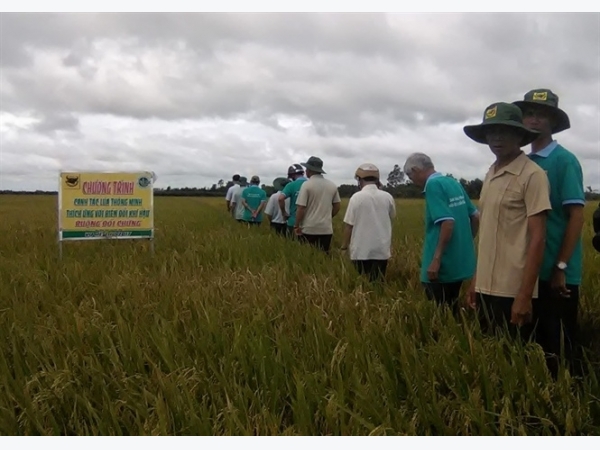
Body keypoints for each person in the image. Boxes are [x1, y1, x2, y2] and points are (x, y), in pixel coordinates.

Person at [463, 102, 551, 338]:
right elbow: (487, 235)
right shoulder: (491, 173)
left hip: (512, 290)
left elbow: (538, 238)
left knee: (516, 361)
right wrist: (476, 281)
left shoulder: (533, 175)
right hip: (485, 287)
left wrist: (524, 296)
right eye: (491, 131)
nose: (497, 137)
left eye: (505, 131)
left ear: (519, 135)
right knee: (489, 361)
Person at [513, 88, 586, 375]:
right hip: (529, 269)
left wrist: (561, 265)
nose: (533, 120)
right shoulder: (523, 163)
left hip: (557, 273)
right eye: (529, 113)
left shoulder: (564, 160)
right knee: (534, 343)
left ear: (553, 122)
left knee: (561, 347)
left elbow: (576, 217)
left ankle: (571, 405)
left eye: (542, 115)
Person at [403, 153, 480, 313]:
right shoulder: (452, 182)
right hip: (459, 263)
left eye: (410, 176)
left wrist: (436, 259)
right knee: (452, 306)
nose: (411, 181)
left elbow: (447, 222)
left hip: (442, 265)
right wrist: (466, 241)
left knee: (439, 312)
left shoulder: (433, 186)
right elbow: (475, 216)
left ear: (416, 169)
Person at [340, 163, 396, 282]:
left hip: (360, 250)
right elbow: (392, 216)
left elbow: (349, 226)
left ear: (359, 180)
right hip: (381, 249)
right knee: (377, 283)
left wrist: (344, 247)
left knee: (361, 283)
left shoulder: (356, 197)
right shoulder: (388, 197)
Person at [294, 156, 341, 253]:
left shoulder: (307, 185)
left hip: (309, 229)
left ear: (309, 170)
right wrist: (329, 216)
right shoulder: (332, 185)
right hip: (326, 229)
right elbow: (337, 206)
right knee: (323, 256)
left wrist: (296, 225)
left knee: (308, 257)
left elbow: (301, 208)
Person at [279, 164, 308, 237]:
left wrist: (284, 213)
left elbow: (280, 198)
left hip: (293, 222)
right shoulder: (310, 184)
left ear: (292, 175)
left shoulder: (291, 185)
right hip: (309, 223)